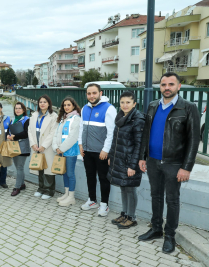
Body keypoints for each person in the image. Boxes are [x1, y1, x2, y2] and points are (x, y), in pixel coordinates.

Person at [138, 72, 200, 253]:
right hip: (153, 161)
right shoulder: (152, 106)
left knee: (172, 200)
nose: (167, 88)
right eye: (164, 84)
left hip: (174, 164)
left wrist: (186, 167)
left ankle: (170, 236)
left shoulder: (188, 108)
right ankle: (156, 229)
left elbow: (194, 140)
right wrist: (143, 157)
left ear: (179, 86)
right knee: (155, 196)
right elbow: (145, 134)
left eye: (171, 84)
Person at [107, 91, 145, 229]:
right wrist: (112, 157)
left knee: (130, 189)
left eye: (128, 102)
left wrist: (132, 166)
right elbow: (115, 141)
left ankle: (132, 217)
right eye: (122, 102)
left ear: (134, 104)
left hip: (129, 162)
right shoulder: (120, 117)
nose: (125, 105)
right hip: (119, 159)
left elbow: (139, 145)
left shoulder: (138, 119)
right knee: (123, 187)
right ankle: (124, 214)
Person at [78, 83, 117, 216]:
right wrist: (80, 144)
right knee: (90, 176)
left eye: (94, 93)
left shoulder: (109, 108)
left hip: (101, 152)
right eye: (89, 93)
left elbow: (111, 132)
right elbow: (81, 128)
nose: (91, 96)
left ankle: (104, 205)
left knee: (103, 178)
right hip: (87, 151)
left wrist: (106, 150)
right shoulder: (84, 108)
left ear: (100, 93)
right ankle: (92, 200)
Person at [28, 95, 58, 199]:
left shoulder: (53, 116)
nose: (42, 104)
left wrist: (43, 146)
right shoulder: (34, 115)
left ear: (49, 103)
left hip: (47, 147)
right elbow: (30, 131)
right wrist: (33, 144)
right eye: (40, 102)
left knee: (48, 168)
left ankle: (49, 190)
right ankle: (41, 188)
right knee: (39, 167)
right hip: (36, 146)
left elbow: (53, 132)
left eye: (45, 102)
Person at [52, 97, 81, 206]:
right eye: (64, 105)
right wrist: (56, 147)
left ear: (73, 106)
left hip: (70, 151)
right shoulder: (63, 118)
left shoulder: (76, 119)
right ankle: (66, 194)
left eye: (69, 105)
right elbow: (56, 135)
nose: (66, 107)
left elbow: (73, 137)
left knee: (70, 173)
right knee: (64, 172)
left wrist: (61, 149)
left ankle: (71, 197)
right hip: (61, 151)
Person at [7, 102, 30, 196]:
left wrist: (14, 136)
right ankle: (22, 184)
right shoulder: (13, 120)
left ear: (23, 110)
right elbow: (10, 131)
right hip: (14, 147)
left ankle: (17, 187)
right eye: (16, 108)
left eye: (20, 108)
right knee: (18, 167)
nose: (18, 110)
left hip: (23, 147)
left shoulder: (27, 120)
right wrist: (9, 136)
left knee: (20, 167)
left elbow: (26, 133)